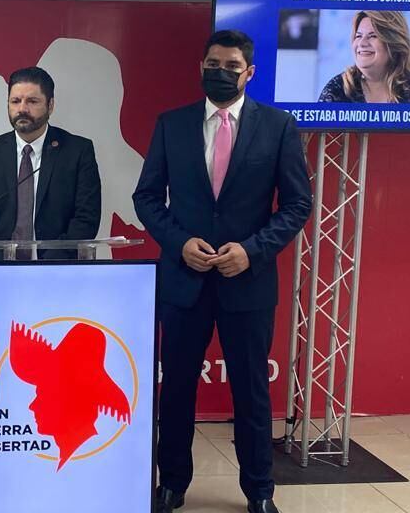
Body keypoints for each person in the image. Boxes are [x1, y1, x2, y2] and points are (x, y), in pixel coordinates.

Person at [133, 30, 312, 513]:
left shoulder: (278, 126)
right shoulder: (171, 124)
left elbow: (297, 204)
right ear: (201, 67)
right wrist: (179, 243)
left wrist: (253, 251)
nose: (220, 72)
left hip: (247, 282)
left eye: (231, 66)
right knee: (176, 390)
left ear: (248, 72)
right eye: (212, 63)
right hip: (184, 281)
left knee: (251, 393)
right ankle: (171, 484)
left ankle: (260, 490)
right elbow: (146, 197)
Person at [0, 66, 100, 260]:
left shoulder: (77, 151)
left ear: (50, 105)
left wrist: (47, 266)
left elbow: (86, 219)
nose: (22, 109)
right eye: (15, 101)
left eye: (32, 101)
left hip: (58, 268)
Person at [317, 10, 410, 104]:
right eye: (358, 36)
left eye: (373, 36)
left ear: (394, 43)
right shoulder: (337, 90)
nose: (362, 43)